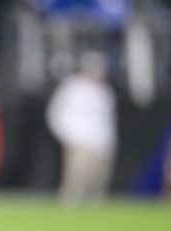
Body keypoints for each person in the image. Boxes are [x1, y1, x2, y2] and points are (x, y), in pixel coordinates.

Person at [46, 50, 117, 206]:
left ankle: (94, 209)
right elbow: (56, 113)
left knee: (97, 180)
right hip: (79, 140)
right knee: (77, 177)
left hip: (100, 142)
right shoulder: (72, 87)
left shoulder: (104, 91)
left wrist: (108, 142)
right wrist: (69, 136)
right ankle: (70, 205)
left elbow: (106, 119)